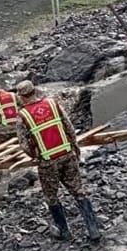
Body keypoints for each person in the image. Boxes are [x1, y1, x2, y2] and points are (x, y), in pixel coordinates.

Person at [15, 80, 100, 241]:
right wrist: (74, 148)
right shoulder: (53, 104)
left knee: (52, 196)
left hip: (47, 161)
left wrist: (35, 155)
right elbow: (69, 127)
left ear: (22, 97)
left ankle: (64, 231)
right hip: (67, 154)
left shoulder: (23, 115)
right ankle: (93, 228)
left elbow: (24, 144)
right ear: (35, 91)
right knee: (78, 191)